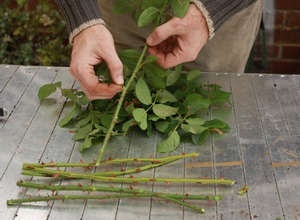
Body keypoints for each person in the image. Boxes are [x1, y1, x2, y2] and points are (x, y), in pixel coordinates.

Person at [54, 0, 263, 100]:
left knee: (208, 109)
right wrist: (84, 21)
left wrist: (209, 14)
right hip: (123, 10)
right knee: (119, 97)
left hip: (218, 13)